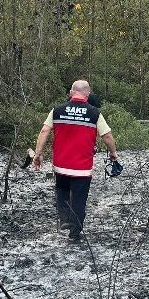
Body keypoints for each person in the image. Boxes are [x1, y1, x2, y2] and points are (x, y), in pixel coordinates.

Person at [33, 80, 119, 243]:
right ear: (87, 94)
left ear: (71, 92)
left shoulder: (57, 110)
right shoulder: (94, 113)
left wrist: (38, 154)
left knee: (62, 193)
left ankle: (65, 218)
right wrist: (113, 153)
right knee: (79, 201)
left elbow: (44, 131)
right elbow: (107, 136)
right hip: (82, 169)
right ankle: (74, 234)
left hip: (61, 166)